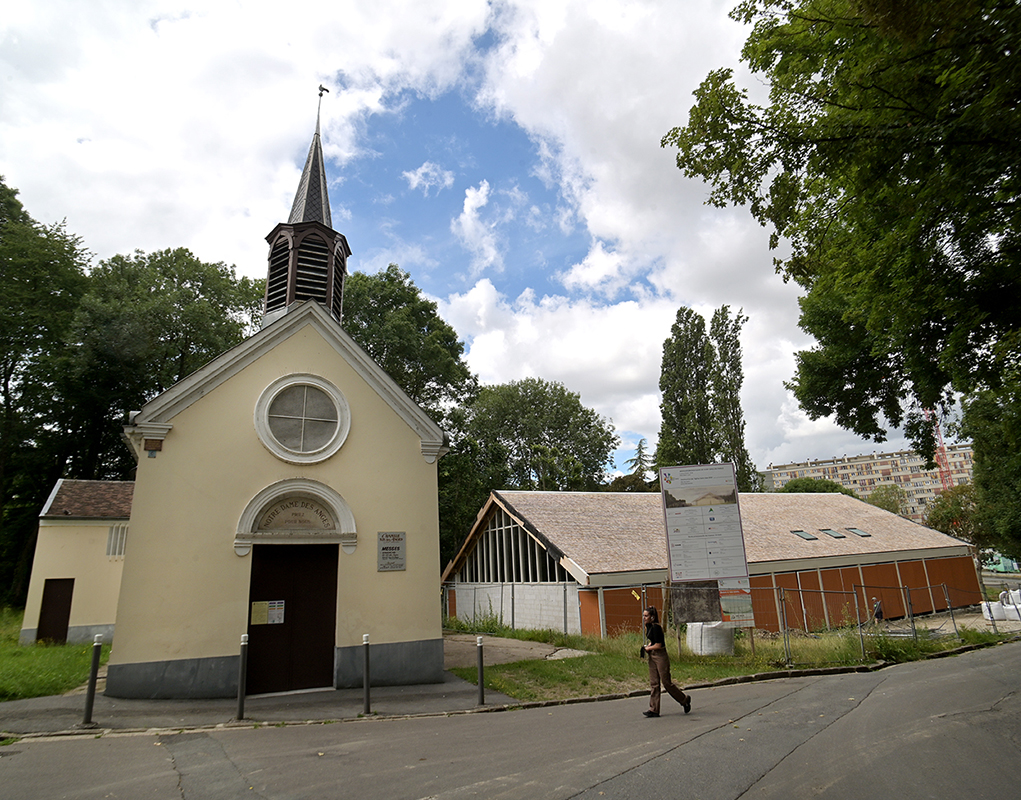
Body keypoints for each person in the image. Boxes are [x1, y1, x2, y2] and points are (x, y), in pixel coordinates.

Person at [641, 606, 691, 717]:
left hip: (660, 656)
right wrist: (648, 646)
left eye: (646, 616)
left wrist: (648, 648)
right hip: (652, 655)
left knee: (666, 682)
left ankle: (684, 700)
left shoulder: (657, 628)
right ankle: (654, 709)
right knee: (654, 683)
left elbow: (659, 645)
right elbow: (653, 641)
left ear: (652, 617)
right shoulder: (648, 626)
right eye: (643, 615)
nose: (644, 618)